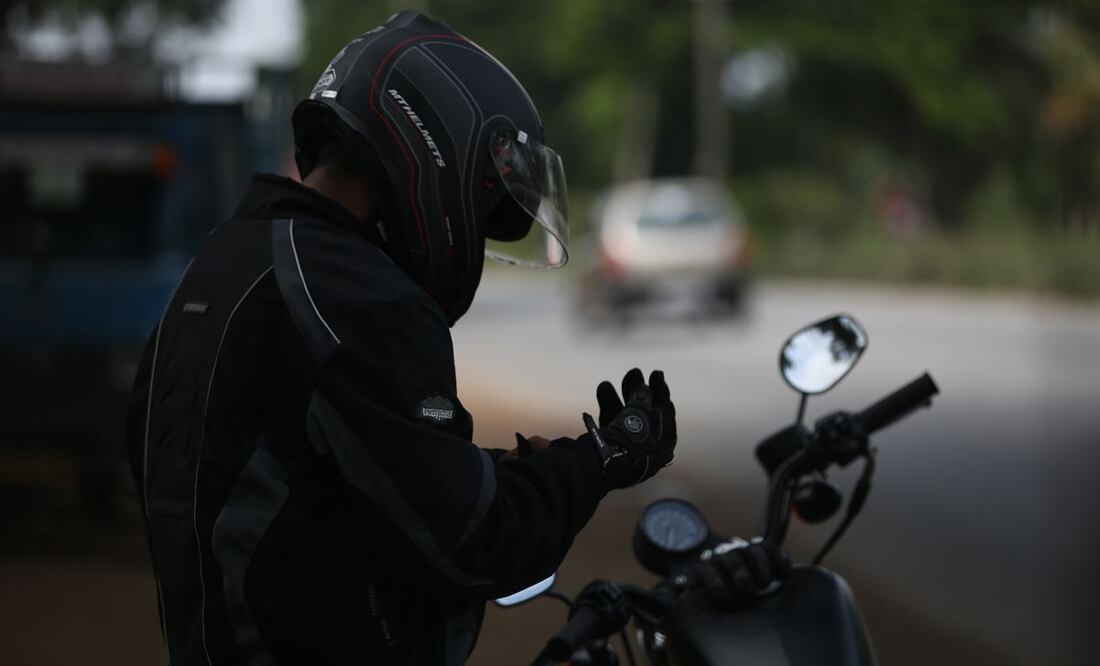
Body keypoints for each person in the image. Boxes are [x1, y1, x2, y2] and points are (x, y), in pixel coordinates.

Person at [126, 11, 676, 665]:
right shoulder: (358, 300)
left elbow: (309, 473)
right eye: (480, 199)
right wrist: (605, 458)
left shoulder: (234, 258)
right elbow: (474, 542)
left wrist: (501, 469)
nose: (472, 223)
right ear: (434, 149)